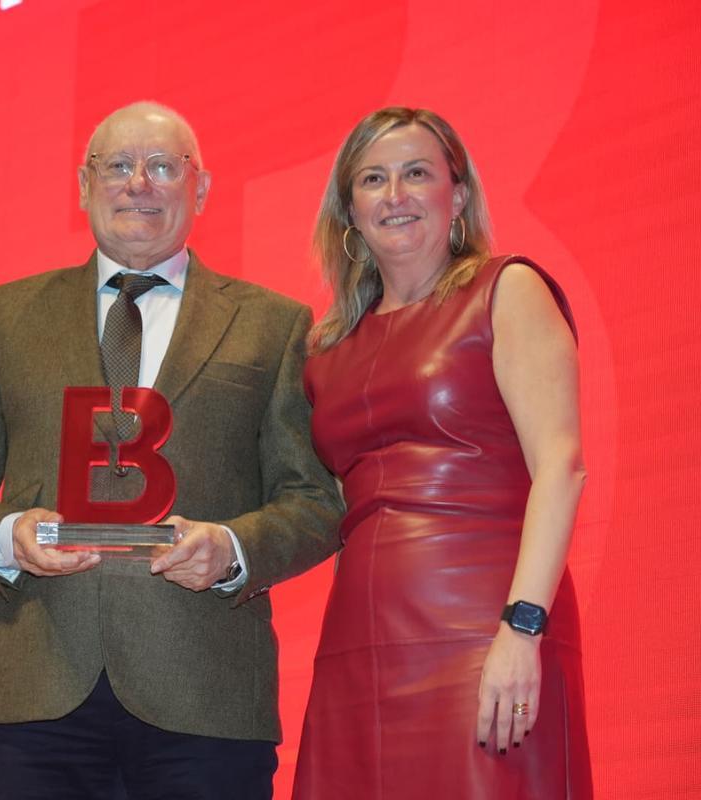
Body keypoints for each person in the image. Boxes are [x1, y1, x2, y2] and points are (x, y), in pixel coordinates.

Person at [0, 101, 342, 800]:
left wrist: (232, 548)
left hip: (204, 696)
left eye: (163, 166)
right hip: (36, 694)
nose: (139, 183)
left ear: (199, 190)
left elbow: (317, 503)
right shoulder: (6, 316)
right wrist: (8, 535)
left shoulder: (275, 325)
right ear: (84, 186)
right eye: (117, 166)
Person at [293, 107, 593, 798]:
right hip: (356, 651)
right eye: (373, 179)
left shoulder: (506, 289)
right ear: (350, 210)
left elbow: (561, 465)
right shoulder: (325, 347)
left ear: (457, 195)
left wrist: (522, 630)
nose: (394, 195)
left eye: (416, 174)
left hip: (483, 632)